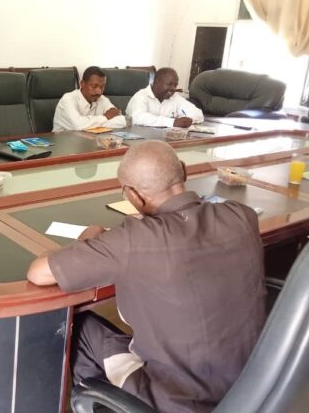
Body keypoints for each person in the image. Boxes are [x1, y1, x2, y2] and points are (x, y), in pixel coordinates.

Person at [27, 140, 265, 412]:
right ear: (184, 172)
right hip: (253, 388)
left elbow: (39, 273)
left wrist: (87, 243)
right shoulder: (241, 215)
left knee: (79, 325)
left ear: (133, 197)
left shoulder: (132, 240)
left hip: (177, 400)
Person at [53, 66, 126, 132]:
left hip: (89, 142)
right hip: (64, 143)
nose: (99, 91)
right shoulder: (67, 99)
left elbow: (122, 121)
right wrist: (105, 117)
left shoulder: (102, 99)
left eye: (102, 86)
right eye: (94, 86)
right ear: (82, 84)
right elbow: (78, 125)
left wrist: (89, 124)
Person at [126, 67, 204, 127]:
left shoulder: (174, 97)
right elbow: (137, 118)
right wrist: (172, 122)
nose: (173, 88)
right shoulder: (141, 96)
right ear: (156, 81)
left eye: (175, 85)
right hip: (140, 141)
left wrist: (186, 120)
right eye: (169, 84)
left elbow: (198, 114)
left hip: (165, 139)